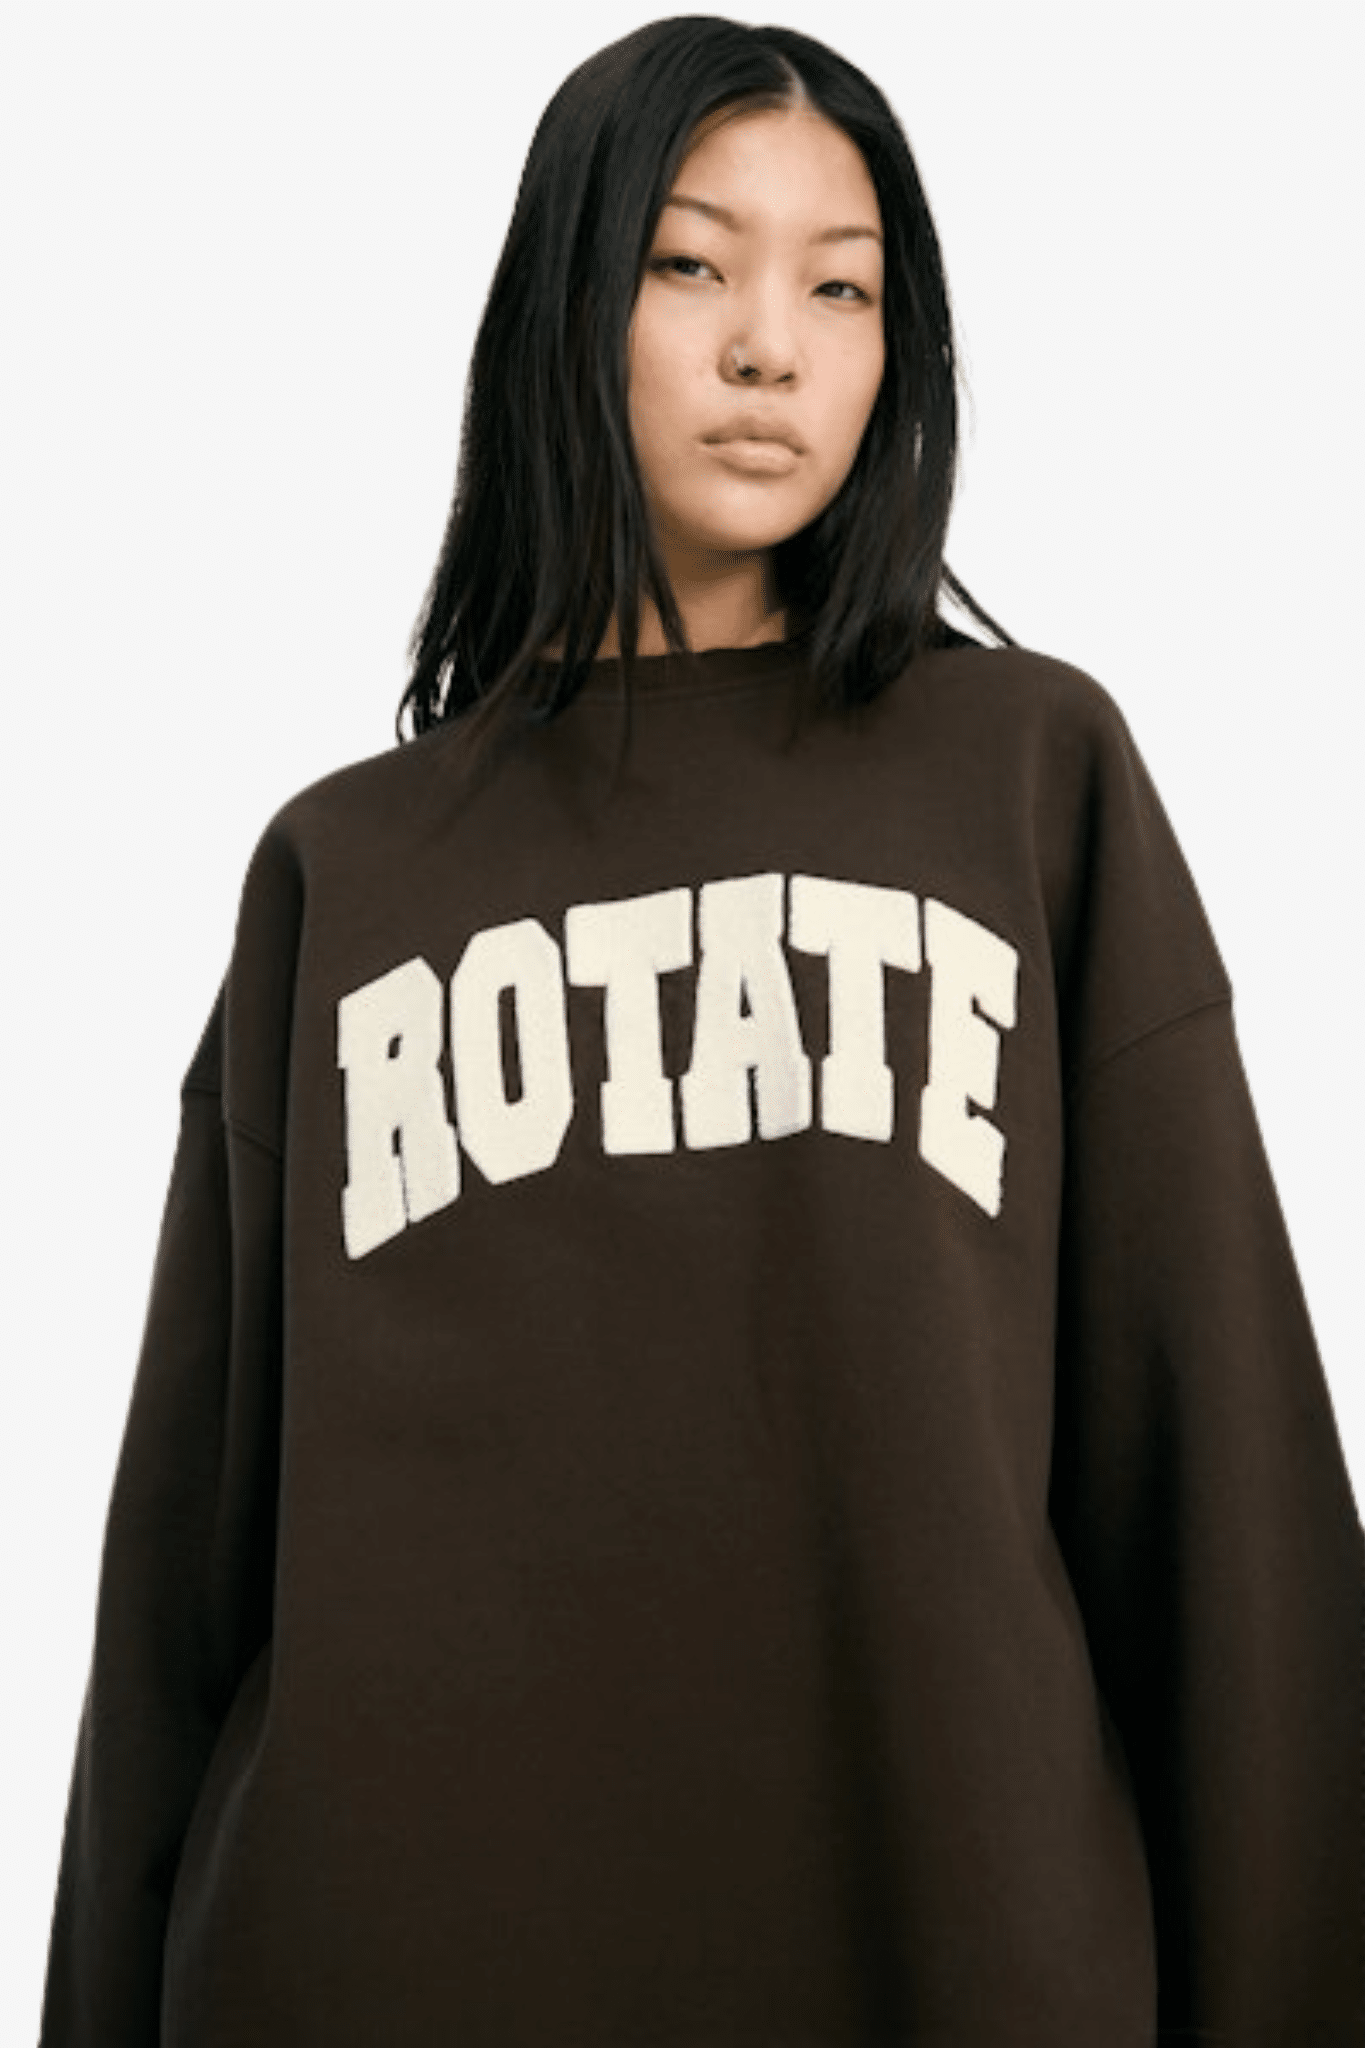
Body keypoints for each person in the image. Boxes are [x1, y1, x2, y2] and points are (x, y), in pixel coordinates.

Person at [38, 17, 1364, 2047]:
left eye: (842, 288)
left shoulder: (1026, 775)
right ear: (566, 301)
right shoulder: (344, 869)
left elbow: (1224, 1484)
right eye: (691, 264)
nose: (770, 347)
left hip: (942, 1939)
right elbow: (179, 1594)